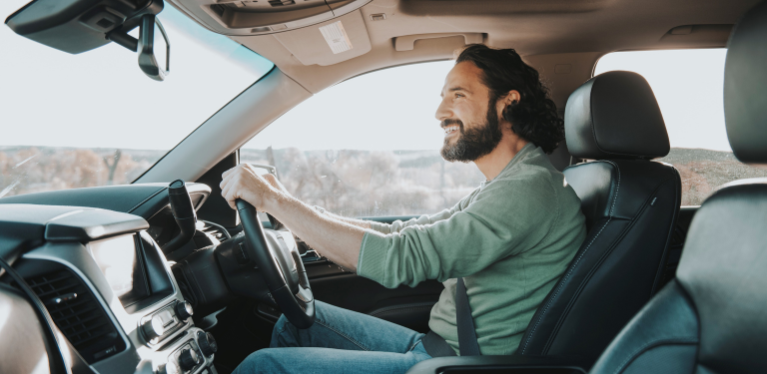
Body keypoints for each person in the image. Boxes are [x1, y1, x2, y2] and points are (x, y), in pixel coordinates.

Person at [221, 44, 587, 374]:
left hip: (463, 366)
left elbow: (402, 256)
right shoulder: (509, 183)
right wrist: (293, 211)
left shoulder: (527, 190)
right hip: (438, 348)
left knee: (263, 367)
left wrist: (274, 201)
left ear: (508, 102)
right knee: (295, 324)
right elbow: (405, 231)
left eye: (457, 95)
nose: (440, 112)